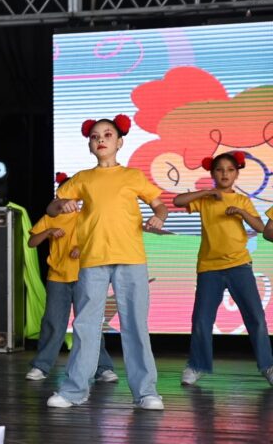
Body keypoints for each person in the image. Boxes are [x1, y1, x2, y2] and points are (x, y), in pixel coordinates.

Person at [46, 114, 168, 410]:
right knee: (86, 325)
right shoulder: (82, 179)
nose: (100, 139)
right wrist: (61, 204)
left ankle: (146, 392)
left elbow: (159, 204)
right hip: (93, 260)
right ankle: (74, 391)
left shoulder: (132, 176)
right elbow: (52, 207)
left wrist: (158, 217)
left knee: (135, 325)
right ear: (90, 145)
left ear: (120, 142)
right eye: (95, 136)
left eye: (107, 135)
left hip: (131, 258)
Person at [174, 152, 273, 386]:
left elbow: (261, 228)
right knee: (201, 319)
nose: (225, 174)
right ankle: (197, 365)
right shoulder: (206, 199)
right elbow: (178, 201)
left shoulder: (241, 200)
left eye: (230, 170)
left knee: (256, 318)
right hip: (209, 267)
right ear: (212, 174)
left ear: (237, 174)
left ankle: (268, 365)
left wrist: (241, 213)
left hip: (239, 265)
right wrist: (208, 192)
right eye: (219, 170)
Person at [25, 172, 118, 384]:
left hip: (85, 275)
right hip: (58, 277)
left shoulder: (88, 215)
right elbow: (31, 242)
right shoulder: (52, 216)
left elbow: (101, 242)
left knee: (90, 323)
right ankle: (41, 365)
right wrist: (48, 231)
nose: (69, 199)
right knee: (53, 323)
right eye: (64, 194)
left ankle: (102, 367)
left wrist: (81, 249)